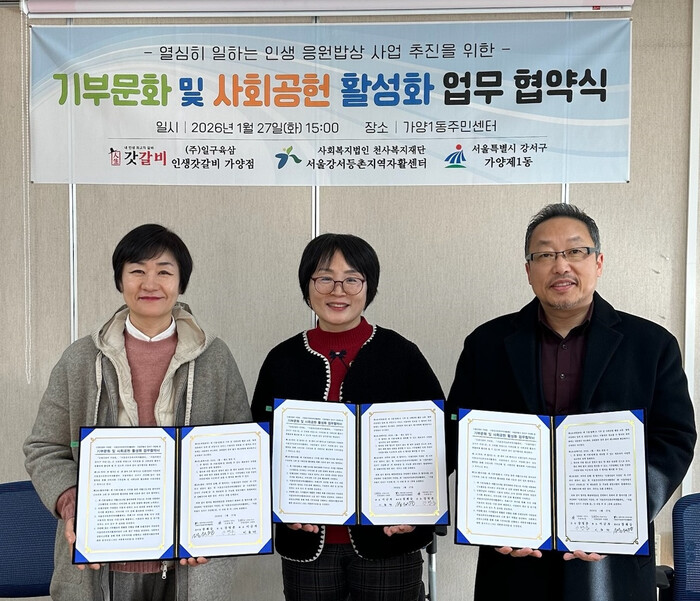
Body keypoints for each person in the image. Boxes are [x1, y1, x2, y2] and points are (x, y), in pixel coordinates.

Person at [445, 203, 696, 601]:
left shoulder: (651, 345)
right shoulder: (486, 344)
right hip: (514, 557)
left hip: (609, 558)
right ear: (528, 270)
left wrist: (620, 517)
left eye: (575, 251)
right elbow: (460, 434)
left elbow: (674, 437)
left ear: (598, 262)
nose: (561, 265)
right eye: (545, 255)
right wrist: (491, 516)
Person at [24, 224, 251, 601]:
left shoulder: (214, 358)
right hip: (100, 561)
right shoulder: (81, 359)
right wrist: (72, 501)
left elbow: (240, 454)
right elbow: (44, 447)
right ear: (120, 280)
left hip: (189, 564)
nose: (150, 283)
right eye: (137, 271)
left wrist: (217, 526)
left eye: (164, 271)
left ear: (181, 282)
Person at [251, 233, 444, 601]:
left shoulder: (401, 354)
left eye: (352, 279)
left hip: (390, 540)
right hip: (307, 542)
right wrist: (278, 503)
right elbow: (259, 444)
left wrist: (419, 507)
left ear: (368, 287)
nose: (338, 290)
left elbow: (441, 438)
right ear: (307, 285)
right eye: (325, 278)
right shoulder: (282, 359)